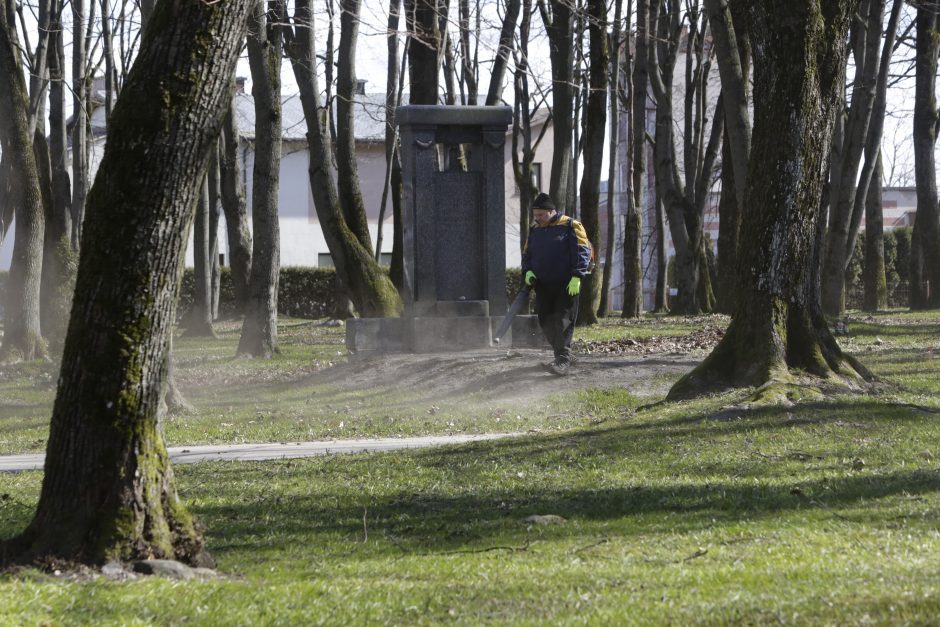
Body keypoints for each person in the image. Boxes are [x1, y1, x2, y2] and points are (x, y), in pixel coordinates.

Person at [521, 192, 592, 376]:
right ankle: (564, 354)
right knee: (545, 321)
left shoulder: (570, 226)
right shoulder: (535, 230)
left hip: (567, 285)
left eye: (541, 215)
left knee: (562, 322)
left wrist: (577, 276)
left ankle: (562, 359)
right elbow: (527, 254)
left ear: (552, 211)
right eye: (535, 215)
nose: (537, 219)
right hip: (543, 285)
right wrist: (527, 270)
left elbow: (583, 250)